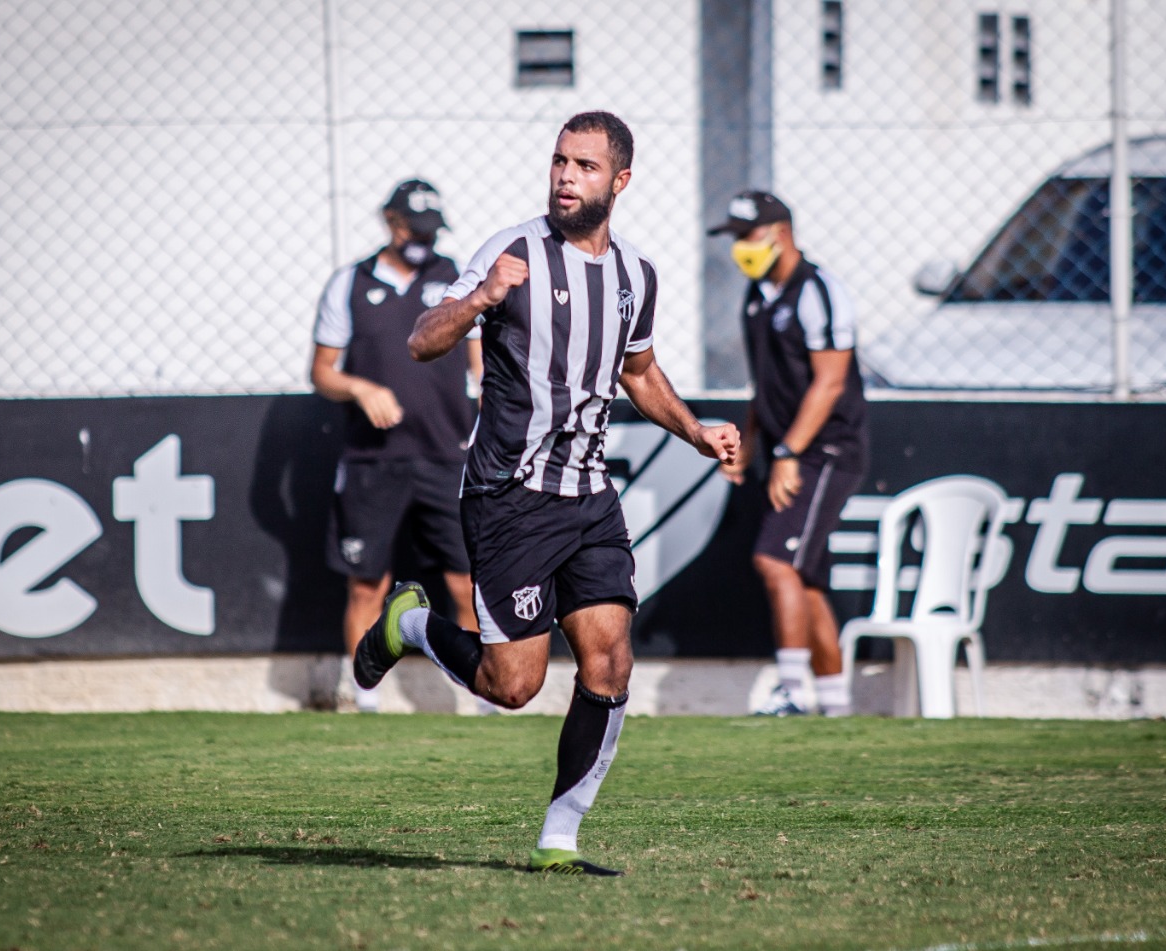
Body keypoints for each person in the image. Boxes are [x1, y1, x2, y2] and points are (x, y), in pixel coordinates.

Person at [354, 111, 739, 875]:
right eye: (560, 161)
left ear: (619, 181)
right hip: (509, 495)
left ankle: (560, 837)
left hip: (591, 496)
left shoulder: (636, 275)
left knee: (609, 662)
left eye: (586, 166)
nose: (566, 176)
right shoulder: (511, 251)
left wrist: (695, 431)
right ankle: (416, 623)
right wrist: (481, 298)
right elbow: (423, 338)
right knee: (514, 683)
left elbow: (638, 371)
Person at [310, 179, 481, 713]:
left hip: (448, 455)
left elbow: (479, 360)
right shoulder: (351, 283)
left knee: (468, 580)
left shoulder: (454, 276)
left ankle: (487, 694)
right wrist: (361, 388)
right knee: (367, 583)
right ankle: (366, 699)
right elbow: (322, 372)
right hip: (372, 461)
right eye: (412, 228)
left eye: (430, 231)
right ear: (389, 221)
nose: (420, 240)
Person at [709, 190, 869, 717]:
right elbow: (766, 386)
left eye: (746, 236)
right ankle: (836, 706)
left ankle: (792, 692)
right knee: (805, 580)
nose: (739, 248)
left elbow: (829, 383)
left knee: (774, 560)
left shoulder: (819, 292)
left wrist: (787, 453)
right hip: (787, 449)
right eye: (734, 238)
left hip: (825, 451)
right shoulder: (758, 296)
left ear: (780, 233)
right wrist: (750, 443)